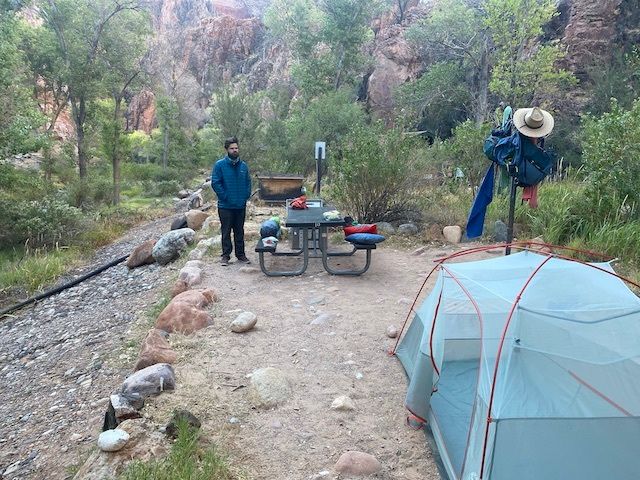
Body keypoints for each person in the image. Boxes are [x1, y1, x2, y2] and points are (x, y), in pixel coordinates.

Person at [211, 136, 252, 266]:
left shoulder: (243, 166)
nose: (235, 150)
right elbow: (215, 183)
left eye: (236, 148)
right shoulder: (220, 165)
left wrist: (245, 196)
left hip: (240, 205)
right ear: (227, 149)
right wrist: (225, 196)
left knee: (239, 231)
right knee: (226, 231)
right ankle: (225, 256)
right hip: (225, 206)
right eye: (232, 148)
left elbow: (248, 182)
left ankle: (241, 255)